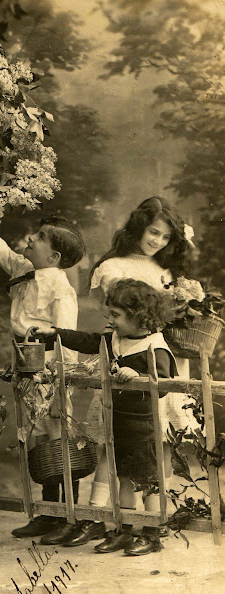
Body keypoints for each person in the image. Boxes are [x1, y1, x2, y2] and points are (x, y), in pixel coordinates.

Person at [60, 195, 197, 548]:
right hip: (128, 356)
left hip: (155, 358)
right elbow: (121, 314)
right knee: (115, 445)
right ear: (138, 227)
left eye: (165, 237)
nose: (157, 241)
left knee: (156, 447)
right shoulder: (114, 267)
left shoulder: (166, 270)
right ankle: (100, 516)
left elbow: (154, 318)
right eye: (153, 232)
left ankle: (153, 524)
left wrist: (184, 306)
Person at [0, 185, 86, 543]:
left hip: (50, 369)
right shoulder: (23, 270)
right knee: (37, 439)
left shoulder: (61, 289)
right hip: (26, 364)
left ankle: (70, 516)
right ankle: (47, 513)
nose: (30, 240)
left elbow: (66, 336)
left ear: (53, 255)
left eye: (38, 238)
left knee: (58, 438)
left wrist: (61, 379)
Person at [36, 279, 177, 556]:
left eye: (116, 315)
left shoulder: (156, 346)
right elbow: (88, 340)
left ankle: (152, 533)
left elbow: (163, 384)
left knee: (148, 480)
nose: (110, 320)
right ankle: (125, 529)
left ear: (139, 317)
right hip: (119, 420)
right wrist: (54, 333)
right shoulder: (117, 338)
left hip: (144, 425)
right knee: (123, 477)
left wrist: (139, 376)